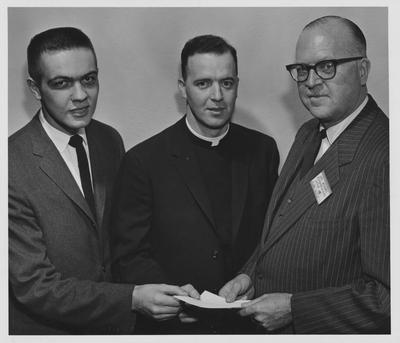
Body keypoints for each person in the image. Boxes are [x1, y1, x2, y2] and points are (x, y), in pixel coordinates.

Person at [9, 27, 195, 335]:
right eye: (61, 83)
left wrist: (170, 290)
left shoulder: (109, 140)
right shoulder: (11, 165)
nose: (81, 95)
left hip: (115, 329)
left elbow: (123, 240)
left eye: (89, 79)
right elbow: (35, 287)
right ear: (35, 88)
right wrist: (132, 298)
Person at [219, 15, 390, 334]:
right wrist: (250, 276)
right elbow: (284, 228)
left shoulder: (385, 155)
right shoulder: (307, 134)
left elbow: (388, 298)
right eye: (302, 70)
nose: (311, 81)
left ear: (363, 70)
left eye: (327, 66)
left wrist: (295, 310)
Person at [111, 34, 279, 333]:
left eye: (226, 83)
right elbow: (130, 254)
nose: (217, 95)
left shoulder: (262, 150)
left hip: (246, 326)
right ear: (183, 89)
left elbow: (273, 237)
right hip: (171, 328)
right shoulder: (143, 160)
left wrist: (252, 279)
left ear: (236, 85)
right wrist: (175, 297)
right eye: (203, 83)